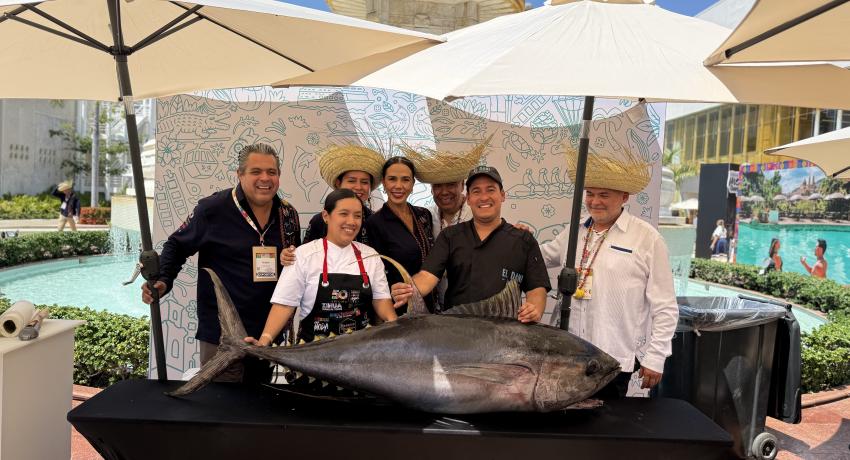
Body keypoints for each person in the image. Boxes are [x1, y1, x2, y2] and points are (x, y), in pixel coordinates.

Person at [142, 143, 301, 383]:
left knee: (259, 407)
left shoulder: (288, 215)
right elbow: (176, 245)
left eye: (272, 172)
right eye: (256, 171)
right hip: (222, 334)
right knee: (221, 408)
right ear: (240, 174)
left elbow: (292, 267)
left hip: (266, 334)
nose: (265, 178)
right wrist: (164, 279)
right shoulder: (212, 209)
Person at [538, 147, 678, 398]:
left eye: (604, 194)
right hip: (569, 355)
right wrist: (516, 240)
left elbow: (665, 306)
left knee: (604, 428)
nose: (595, 201)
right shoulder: (577, 230)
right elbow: (543, 257)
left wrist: (656, 357)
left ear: (624, 197)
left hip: (612, 359)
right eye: (590, 193)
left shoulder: (647, 238)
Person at [391, 165, 550, 323]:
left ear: (502, 195)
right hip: (456, 331)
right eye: (476, 191)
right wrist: (408, 290)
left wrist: (534, 308)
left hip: (504, 335)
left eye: (490, 190)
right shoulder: (450, 235)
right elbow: (427, 276)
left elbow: (536, 287)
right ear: (468, 198)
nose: (483, 197)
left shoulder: (524, 240)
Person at [245, 189, 398, 350]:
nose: (352, 221)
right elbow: (284, 305)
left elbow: (381, 301)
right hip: (312, 354)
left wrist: (398, 331)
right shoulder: (303, 255)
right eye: (344, 214)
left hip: (360, 354)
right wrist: (264, 340)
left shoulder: (370, 256)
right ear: (326, 216)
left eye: (357, 216)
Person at [366, 157, 436, 315]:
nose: (398, 186)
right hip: (399, 306)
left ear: (412, 185)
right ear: (384, 182)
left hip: (431, 302)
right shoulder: (375, 223)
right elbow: (376, 272)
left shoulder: (424, 215)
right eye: (392, 179)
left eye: (405, 180)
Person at [302, 145, 384, 245]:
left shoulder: (376, 221)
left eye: (364, 182)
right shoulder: (319, 221)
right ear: (338, 183)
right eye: (351, 181)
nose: (358, 187)